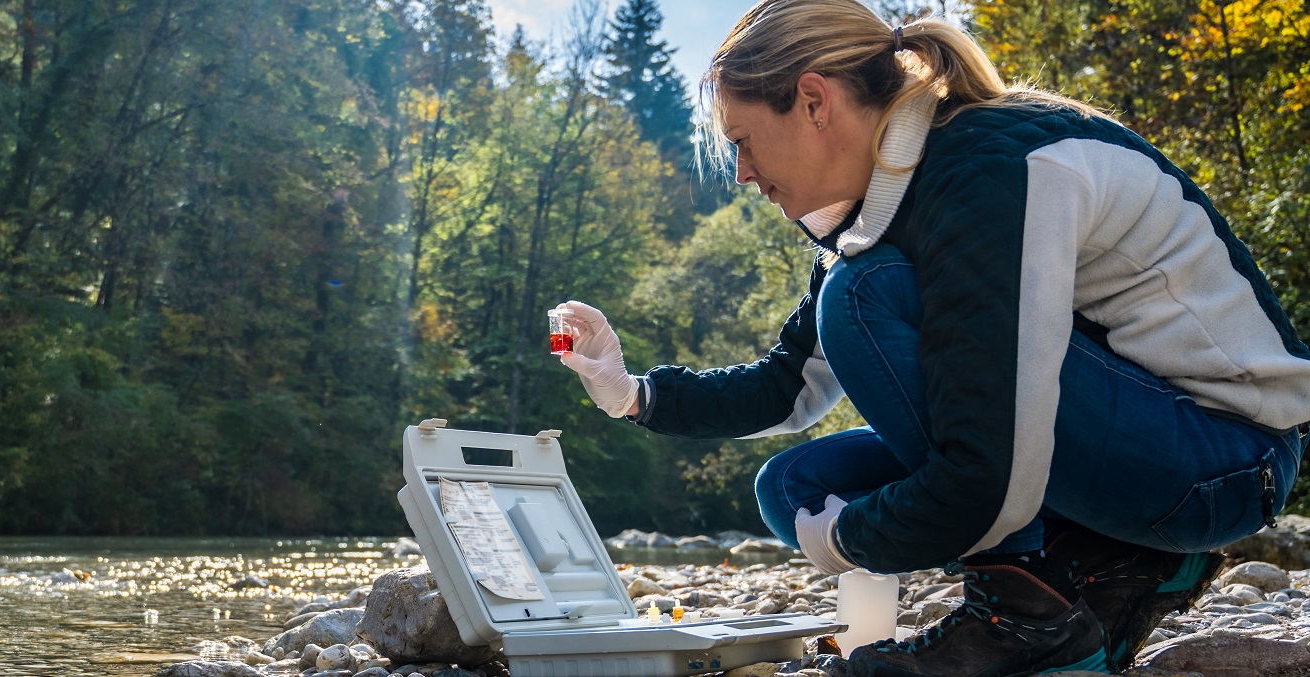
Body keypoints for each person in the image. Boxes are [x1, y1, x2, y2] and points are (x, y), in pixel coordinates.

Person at [554, 1, 1310, 675]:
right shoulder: (883, 203)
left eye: (745, 141)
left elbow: (992, 467)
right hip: (1132, 446)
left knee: (860, 302)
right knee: (792, 489)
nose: (743, 174)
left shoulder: (990, 171)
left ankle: (1025, 615)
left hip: (1226, 460)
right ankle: (1115, 568)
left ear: (813, 100)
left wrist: (851, 540)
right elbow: (787, 384)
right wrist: (628, 391)